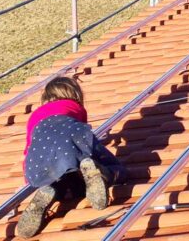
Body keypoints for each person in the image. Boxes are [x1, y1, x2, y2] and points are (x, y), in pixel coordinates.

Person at [18, 76, 124, 238]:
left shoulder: (34, 116)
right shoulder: (76, 107)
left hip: (39, 155)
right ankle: (101, 174)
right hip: (70, 140)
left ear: (46, 97)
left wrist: (30, 177)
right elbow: (82, 139)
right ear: (75, 93)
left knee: (58, 179)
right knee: (114, 168)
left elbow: (28, 149)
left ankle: (51, 190)